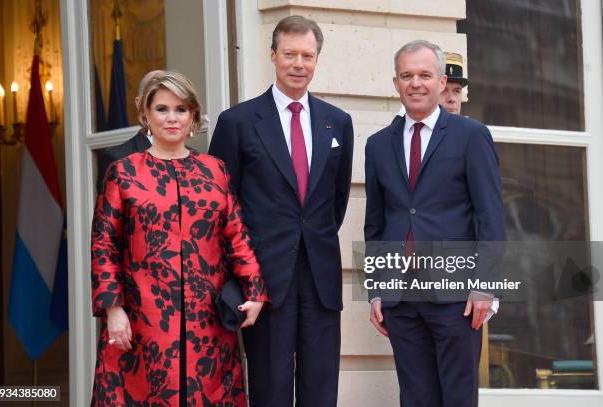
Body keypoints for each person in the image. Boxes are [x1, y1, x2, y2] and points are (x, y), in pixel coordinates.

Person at [91, 71, 268, 406]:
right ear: (146, 115)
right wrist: (113, 309)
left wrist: (255, 290)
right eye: (162, 109)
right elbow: (104, 245)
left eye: (181, 109)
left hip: (208, 322)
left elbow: (236, 234)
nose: (171, 118)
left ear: (193, 117)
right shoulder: (123, 171)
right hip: (143, 321)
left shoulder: (214, 170)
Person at [209, 15, 353, 407]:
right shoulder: (237, 122)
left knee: (321, 389)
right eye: (290, 54)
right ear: (273, 55)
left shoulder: (338, 122)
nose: (298, 64)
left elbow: (334, 204)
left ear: (317, 59)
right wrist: (240, 275)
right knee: (270, 389)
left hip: (321, 278)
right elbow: (222, 207)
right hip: (263, 281)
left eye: (307, 55)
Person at [364, 40, 504, 406]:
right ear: (396, 82)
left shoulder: (471, 136)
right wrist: (377, 288)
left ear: (442, 83)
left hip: (456, 297)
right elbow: (375, 224)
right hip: (401, 298)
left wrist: (486, 285)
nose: (416, 83)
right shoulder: (378, 145)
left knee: (457, 397)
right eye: (407, 76)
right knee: (415, 398)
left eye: (425, 75)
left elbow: (491, 216)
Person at [95, 69, 164, 194]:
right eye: (160, 105)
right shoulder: (117, 160)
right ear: (140, 104)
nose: (170, 116)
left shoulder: (194, 160)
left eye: (178, 107)